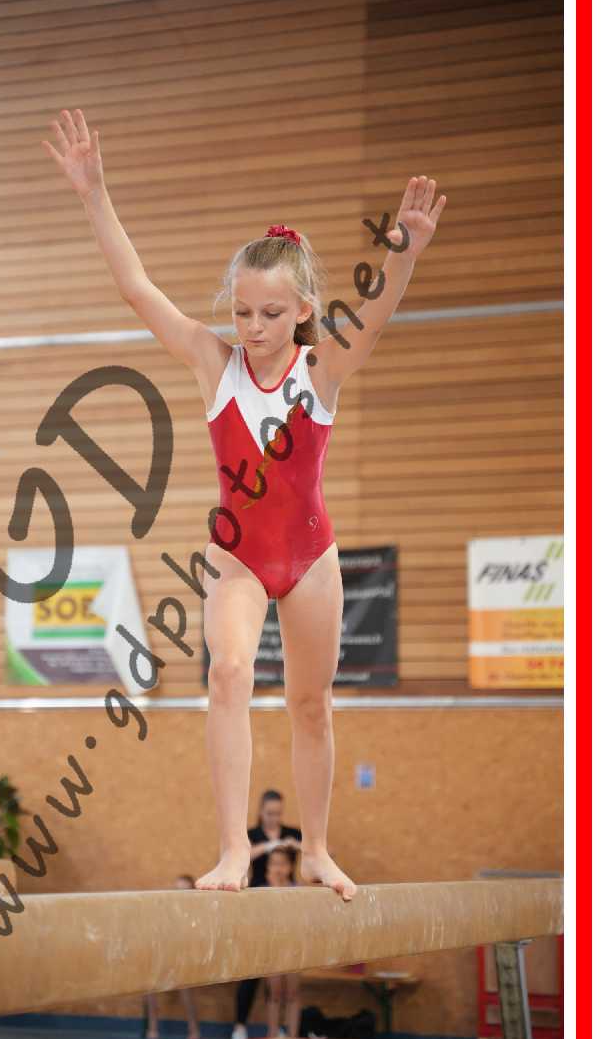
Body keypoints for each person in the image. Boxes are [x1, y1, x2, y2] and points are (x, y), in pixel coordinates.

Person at [42, 109, 446, 900]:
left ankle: (317, 848)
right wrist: (94, 194)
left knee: (310, 704)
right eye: (241, 311)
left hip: (312, 559)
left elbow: (378, 316)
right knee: (227, 674)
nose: (252, 327)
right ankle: (234, 851)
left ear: (304, 311)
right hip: (237, 559)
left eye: (270, 313)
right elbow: (137, 289)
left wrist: (404, 252)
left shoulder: (321, 371)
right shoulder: (213, 362)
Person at [232, 790, 301, 1039]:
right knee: (252, 973)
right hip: (260, 904)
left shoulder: (292, 832)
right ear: (261, 812)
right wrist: (268, 846)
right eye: (270, 813)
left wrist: (297, 846)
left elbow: (322, 854)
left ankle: (286, 1032)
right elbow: (238, 857)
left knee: (288, 985)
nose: (274, 818)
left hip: (288, 905)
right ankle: (240, 1025)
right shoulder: (252, 835)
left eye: (278, 813)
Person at [145, 875, 201, 1039]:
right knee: (149, 983)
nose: (180, 894)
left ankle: (193, 1027)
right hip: (167, 953)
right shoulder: (168, 909)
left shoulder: (195, 912)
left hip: (185, 956)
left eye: (185, 890)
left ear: (192, 892)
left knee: (185, 986)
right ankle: (152, 1027)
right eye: (177, 890)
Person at [261, 846, 302, 1039]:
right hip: (272, 947)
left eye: (282, 864)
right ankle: (272, 1036)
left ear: (291, 866)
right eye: (274, 864)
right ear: (268, 867)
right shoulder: (262, 891)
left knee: (292, 994)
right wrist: (273, 885)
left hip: (293, 947)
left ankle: (293, 1036)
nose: (278, 868)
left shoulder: (298, 890)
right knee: (274, 993)